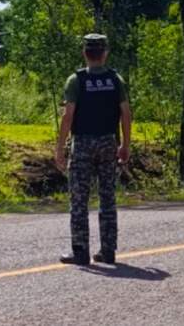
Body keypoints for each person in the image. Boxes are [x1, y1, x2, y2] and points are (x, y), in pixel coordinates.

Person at [56, 34, 131, 265]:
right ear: (104, 53)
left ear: (84, 53)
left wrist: (59, 148)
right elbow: (126, 114)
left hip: (83, 144)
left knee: (79, 199)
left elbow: (68, 116)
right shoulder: (115, 79)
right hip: (108, 142)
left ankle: (80, 252)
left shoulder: (76, 80)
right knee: (107, 197)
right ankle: (108, 250)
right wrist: (125, 144)